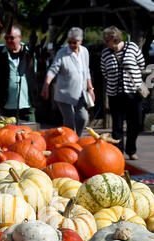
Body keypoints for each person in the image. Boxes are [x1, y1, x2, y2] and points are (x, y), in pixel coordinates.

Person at [101, 26, 145, 160]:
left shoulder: (132, 47)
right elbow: (104, 72)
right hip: (115, 94)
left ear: (115, 39)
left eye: (107, 40)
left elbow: (141, 64)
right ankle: (118, 153)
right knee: (117, 125)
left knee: (136, 122)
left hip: (134, 92)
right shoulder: (105, 53)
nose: (106, 43)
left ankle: (131, 149)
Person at [41, 27, 95, 137]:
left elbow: (86, 70)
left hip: (80, 92)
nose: (71, 45)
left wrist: (90, 88)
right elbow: (53, 70)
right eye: (69, 42)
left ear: (81, 41)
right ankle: (70, 142)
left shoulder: (84, 51)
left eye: (74, 42)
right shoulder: (62, 52)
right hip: (64, 93)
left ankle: (76, 137)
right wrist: (46, 85)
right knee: (69, 121)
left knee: (83, 118)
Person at [0, 25, 38, 123]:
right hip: (7, 105)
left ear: (19, 37)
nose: (9, 41)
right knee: (8, 134)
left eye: (12, 38)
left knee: (32, 133)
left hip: (28, 105)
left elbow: (33, 72)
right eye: (6, 38)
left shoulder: (29, 52)